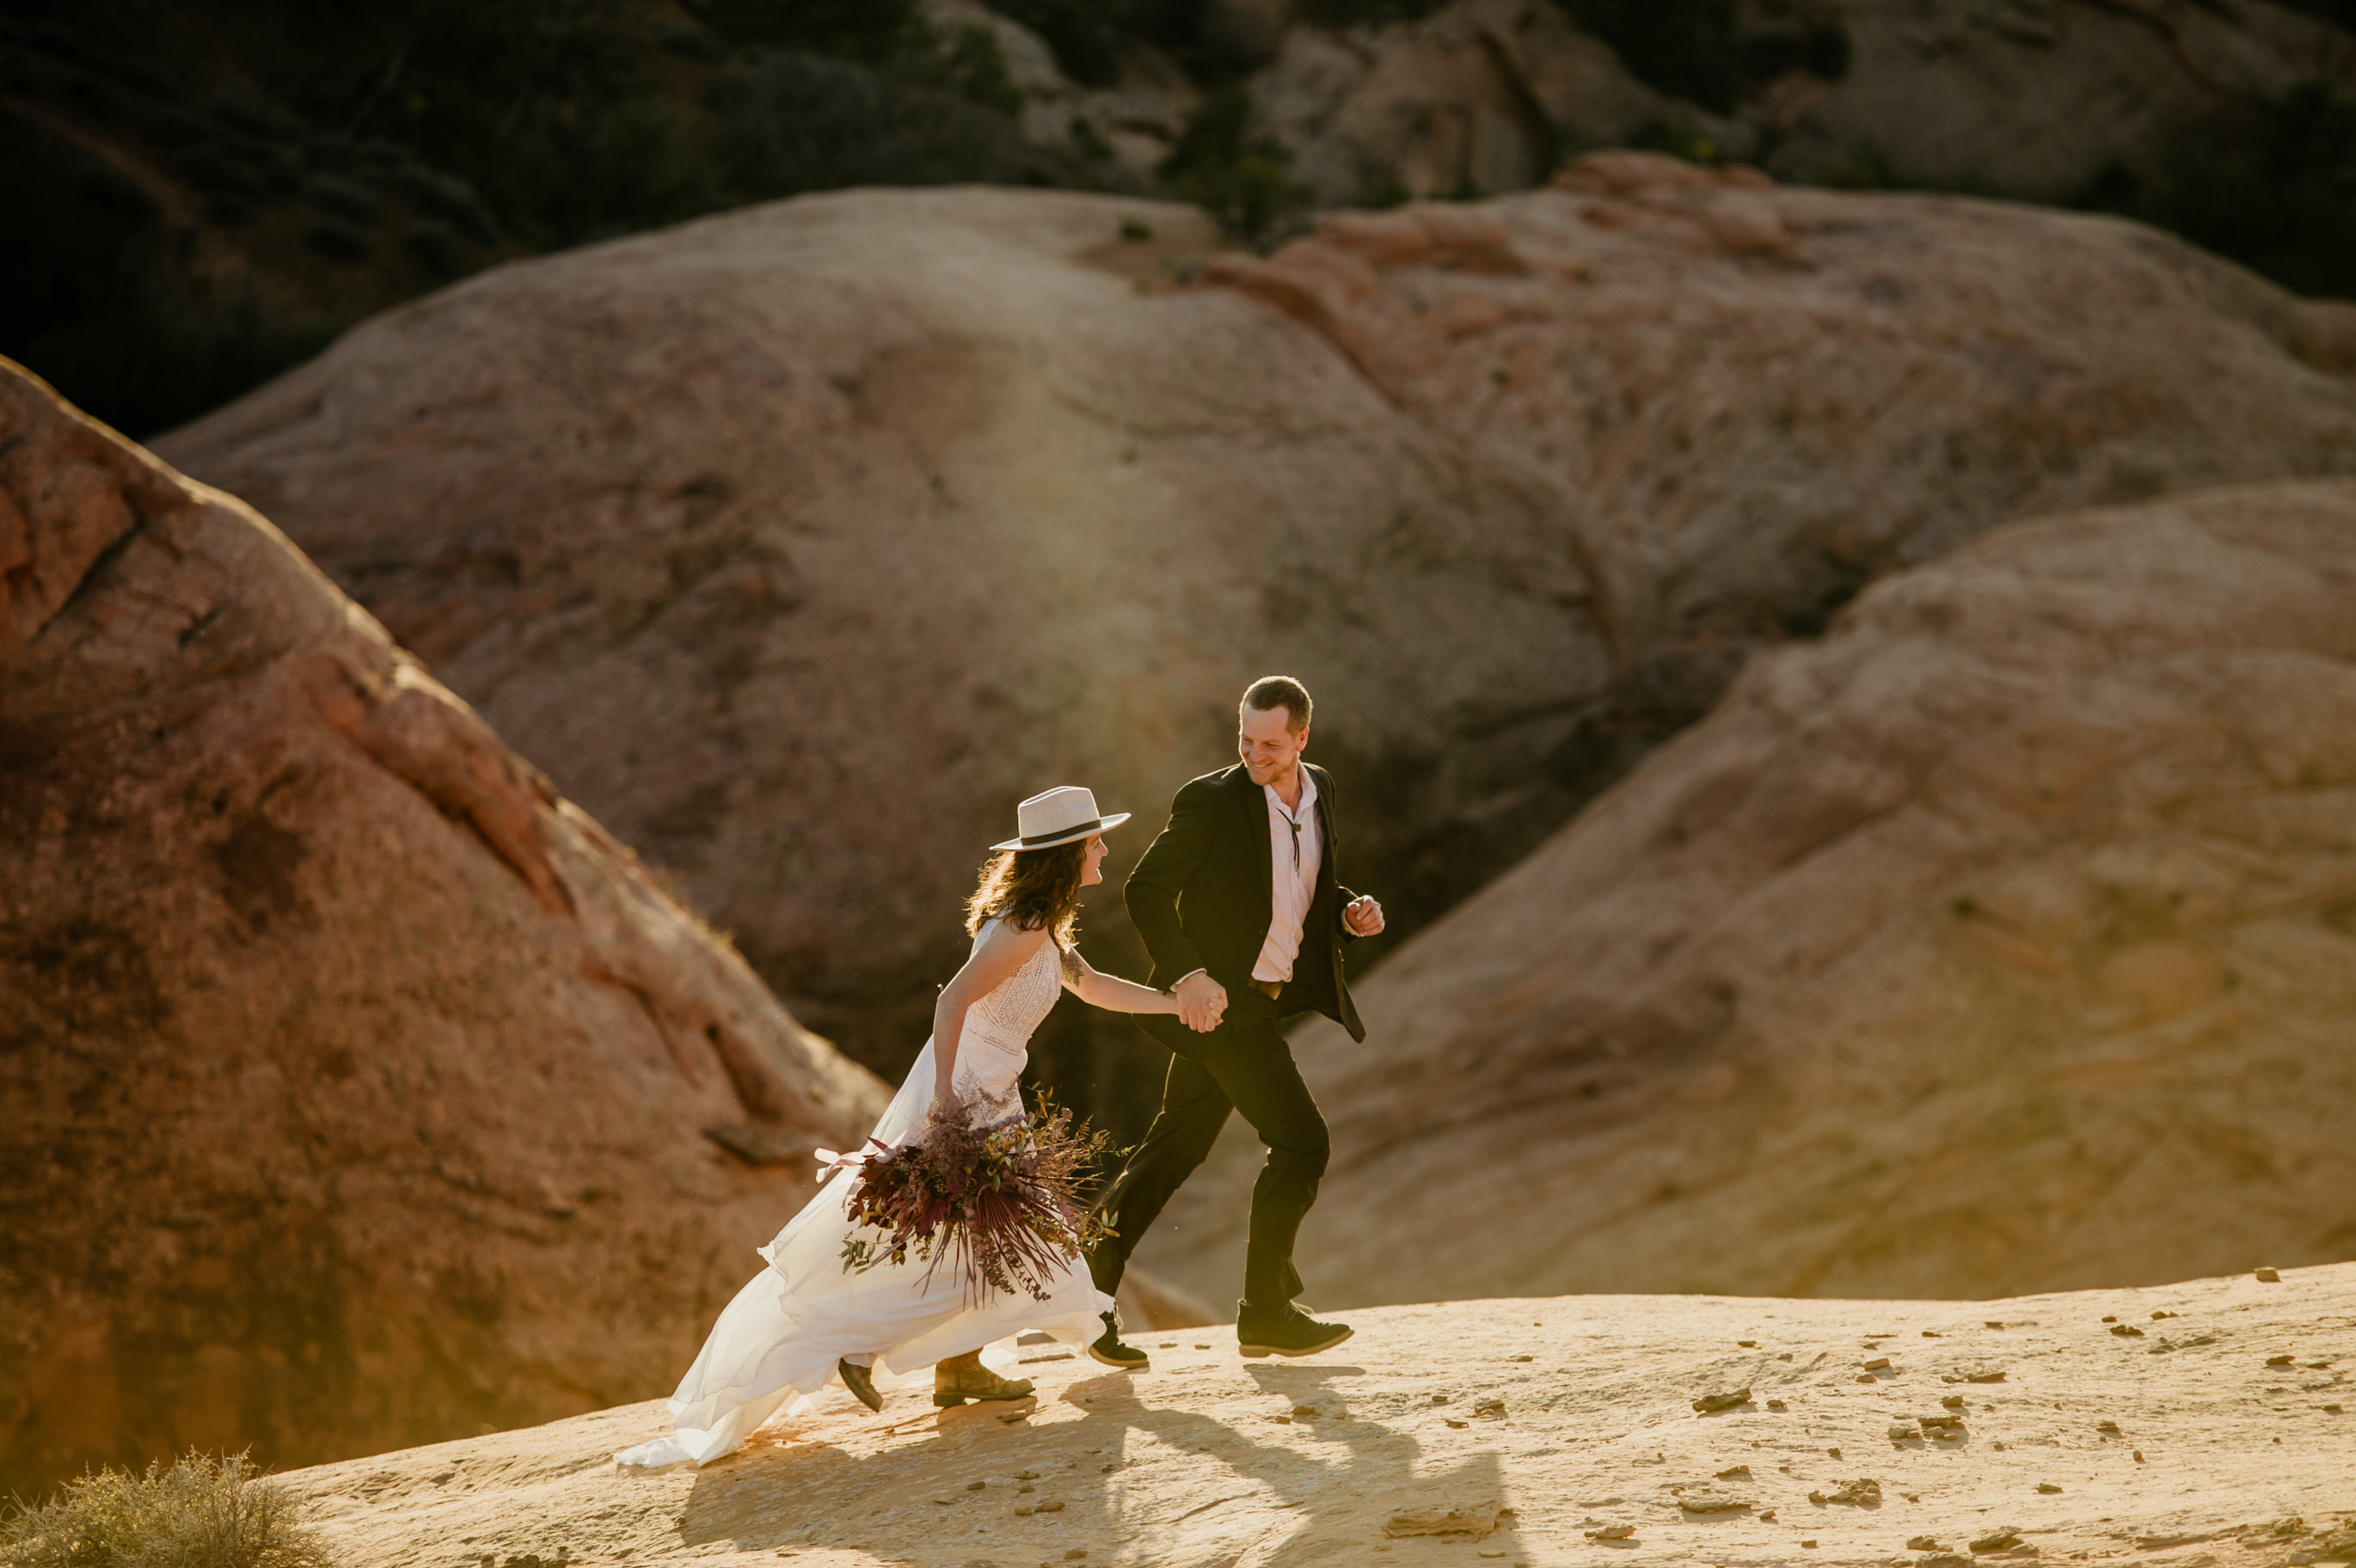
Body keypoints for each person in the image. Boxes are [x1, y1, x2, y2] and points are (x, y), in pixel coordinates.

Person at [614, 786, 1200, 1467]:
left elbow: (1092, 984)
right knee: (970, 1229)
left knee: (978, 1232)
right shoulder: (1025, 925)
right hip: (967, 1088)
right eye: (1096, 841)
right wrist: (949, 1101)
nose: (1105, 849)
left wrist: (1171, 1005)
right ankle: (859, 1346)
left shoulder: (1045, 920)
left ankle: (958, 1370)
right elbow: (950, 1002)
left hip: (991, 1085)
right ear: (1069, 854)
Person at [1083, 676, 1386, 1368]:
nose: (1255, 754)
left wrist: (1345, 912)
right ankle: (1266, 1314)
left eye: (1271, 744)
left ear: (1303, 739)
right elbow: (1146, 888)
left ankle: (1084, 1296)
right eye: (1245, 740)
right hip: (1223, 1006)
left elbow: (1299, 883)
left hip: (1266, 1000)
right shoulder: (1212, 800)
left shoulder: (1321, 791)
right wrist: (1189, 975)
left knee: (1174, 1148)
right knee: (1302, 1144)